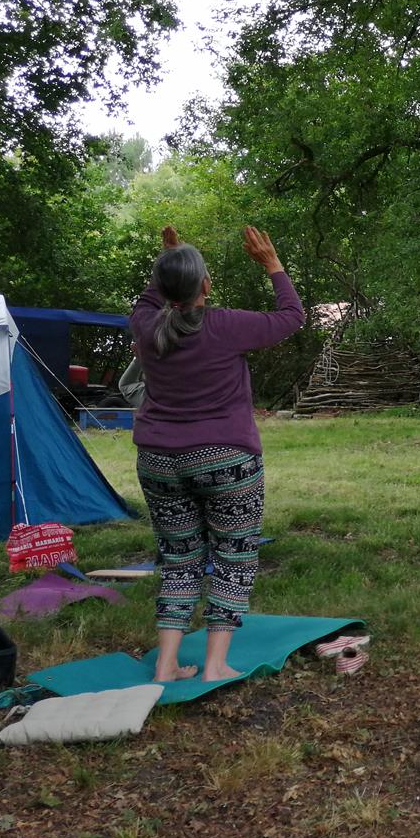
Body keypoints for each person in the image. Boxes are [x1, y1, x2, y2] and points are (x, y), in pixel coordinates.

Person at [129, 224, 305, 683]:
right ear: (206, 285)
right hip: (226, 461)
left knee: (179, 558)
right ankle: (214, 664)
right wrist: (272, 264)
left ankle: (166, 666)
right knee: (233, 555)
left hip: (158, 461)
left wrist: (172, 258)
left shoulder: (147, 324)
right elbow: (292, 315)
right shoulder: (226, 326)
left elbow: (154, 295)